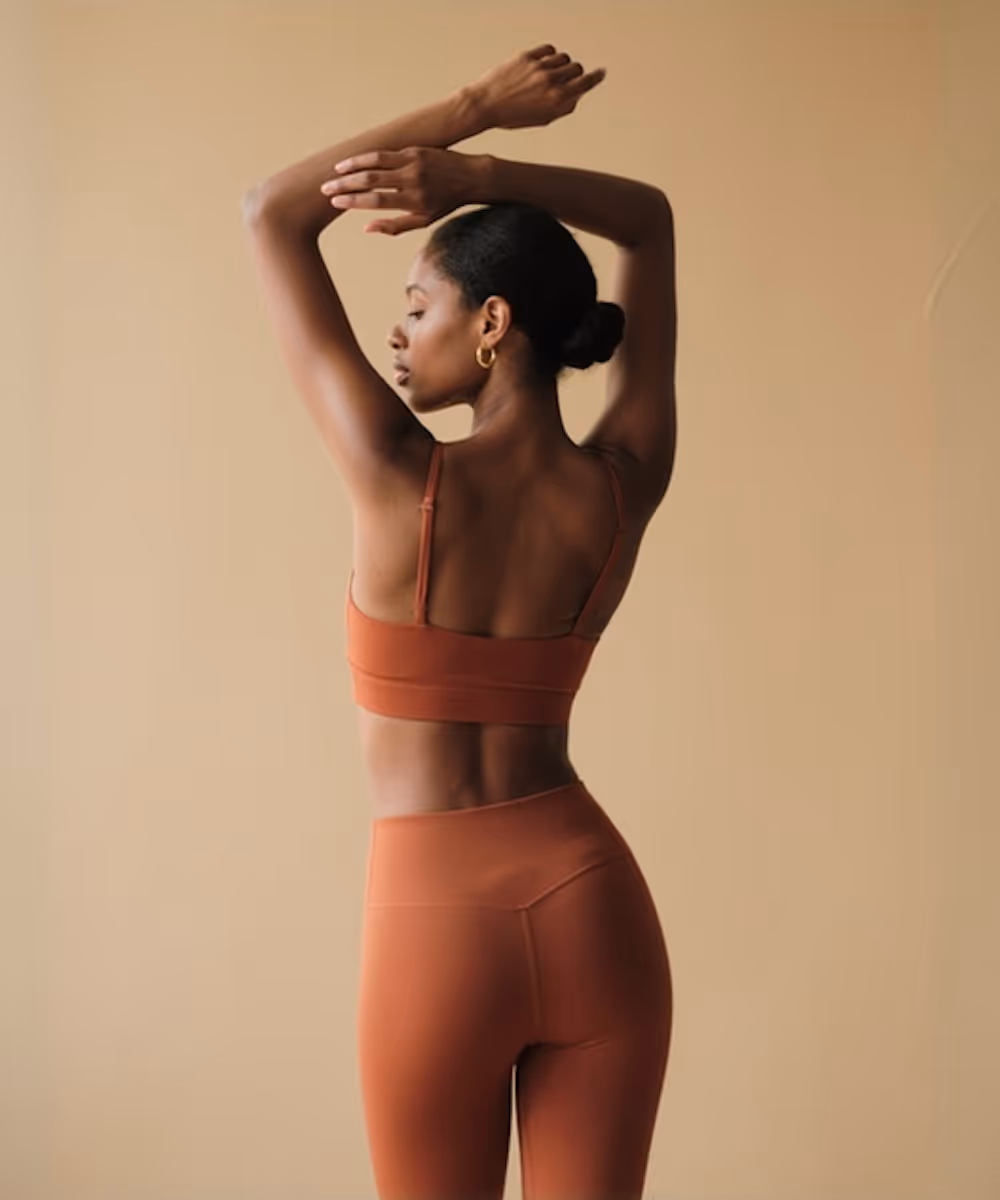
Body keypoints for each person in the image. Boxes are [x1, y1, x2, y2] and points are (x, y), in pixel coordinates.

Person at [242, 43, 677, 1200]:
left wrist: (472, 113)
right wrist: (481, 171)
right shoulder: (626, 481)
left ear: (492, 324)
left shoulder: (394, 476)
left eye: (417, 304)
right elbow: (651, 223)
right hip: (594, 904)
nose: (399, 333)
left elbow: (271, 215)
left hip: (435, 928)